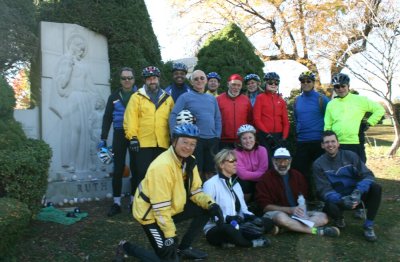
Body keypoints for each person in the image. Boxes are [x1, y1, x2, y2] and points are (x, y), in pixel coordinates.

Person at [114, 123, 224, 261]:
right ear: (174, 141)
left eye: (192, 144)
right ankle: (125, 247)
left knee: (206, 209)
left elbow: (195, 191)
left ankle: (183, 248)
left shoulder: (190, 161)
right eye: (184, 142)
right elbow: (160, 208)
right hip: (151, 214)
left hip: (171, 207)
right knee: (169, 259)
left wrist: (212, 205)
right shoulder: (162, 166)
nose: (188, 147)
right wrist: (170, 235)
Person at [312, 131, 382, 242]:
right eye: (327, 142)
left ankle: (368, 225)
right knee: (327, 203)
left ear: (338, 143)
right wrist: (341, 200)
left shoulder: (350, 156)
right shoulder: (318, 164)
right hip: (338, 199)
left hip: (356, 195)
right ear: (322, 145)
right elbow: (323, 189)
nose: (330, 145)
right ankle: (339, 218)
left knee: (376, 188)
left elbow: (368, 175)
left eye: (333, 141)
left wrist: (359, 191)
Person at [255, 147, 340, 238]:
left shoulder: (297, 175)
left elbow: (303, 197)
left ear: (290, 161)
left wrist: (302, 210)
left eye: (286, 160)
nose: (282, 164)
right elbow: (265, 207)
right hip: (278, 213)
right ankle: (317, 231)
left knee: (323, 217)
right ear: (273, 161)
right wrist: (290, 210)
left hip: (296, 214)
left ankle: (287, 228)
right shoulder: (265, 179)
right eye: (279, 161)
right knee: (281, 218)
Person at [203, 149, 273, 248]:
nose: (236, 163)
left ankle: (232, 242)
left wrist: (253, 218)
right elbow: (208, 211)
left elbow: (244, 209)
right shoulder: (210, 184)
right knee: (229, 229)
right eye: (232, 161)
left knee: (267, 222)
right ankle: (252, 243)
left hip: (237, 224)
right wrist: (228, 218)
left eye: (236, 161)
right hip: (217, 227)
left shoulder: (236, 184)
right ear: (221, 164)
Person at [124, 66, 174, 195]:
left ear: (158, 79)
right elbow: (130, 118)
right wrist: (133, 137)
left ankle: (158, 202)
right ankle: (140, 203)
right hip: (143, 143)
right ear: (145, 80)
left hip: (162, 143)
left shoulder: (168, 98)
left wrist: (174, 138)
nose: (152, 81)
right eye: (149, 79)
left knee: (160, 174)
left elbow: (172, 119)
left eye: (154, 78)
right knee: (142, 173)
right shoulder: (137, 97)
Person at [52, 34, 95, 172]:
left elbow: (90, 84)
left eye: (83, 49)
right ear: (72, 47)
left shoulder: (85, 65)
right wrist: (69, 68)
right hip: (73, 98)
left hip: (85, 99)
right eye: (78, 47)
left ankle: (83, 163)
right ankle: (69, 161)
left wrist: (98, 97)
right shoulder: (66, 60)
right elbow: (61, 84)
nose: (81, 51)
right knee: (75, 129)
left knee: (85, 131)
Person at [169, 70, 221, 180]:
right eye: (196, 79)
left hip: (212, 139)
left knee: (211, 171)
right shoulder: (185, 97)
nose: (199, 81)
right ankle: (195, 195)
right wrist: (174, 135)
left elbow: (217, 118)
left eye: (202, 78)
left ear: (206, 80)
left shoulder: (212, 98)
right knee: (196, 171)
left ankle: (209, 195)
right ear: (191, 82)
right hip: (195, 140)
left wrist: (217, 135)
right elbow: (173, 115)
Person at [99, 67, 138, 217]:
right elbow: (107, 117)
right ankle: (116, 203)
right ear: (120, 80)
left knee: (136, 168)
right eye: (124, 78)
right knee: (117, 169)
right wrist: (103, 137)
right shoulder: (114, 96)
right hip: (119, 134)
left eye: (129, 78)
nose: (127, 80)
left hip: (135, 135)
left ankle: (134, 201)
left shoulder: (139, 94)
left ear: (134, 79)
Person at [324, 73, 385, 163]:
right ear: (334, 88)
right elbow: (327, 125)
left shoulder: (361, 100)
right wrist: (328, 142)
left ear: (348, 86)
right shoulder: (331, 104)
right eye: (337, 87)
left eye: (343, 86)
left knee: (358, 170)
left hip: (355, 142)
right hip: (336, 144)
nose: (340, 89)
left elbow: (379, 109)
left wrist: (369, 123)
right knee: (338, 171)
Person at [291, 71, 330, 200]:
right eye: (303, 81)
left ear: (313, 83)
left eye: (308, 81)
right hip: (302, 141)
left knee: (320, 172)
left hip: (318, 141)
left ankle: (324, 199)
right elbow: (297, 119)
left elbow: (329, 118)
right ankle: (307, 198)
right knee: (300, 171)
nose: (306, 83)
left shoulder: (321, 99)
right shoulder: (297, 101)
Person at [253, 72, 289, 165]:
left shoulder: (281, 100)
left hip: (279, 136)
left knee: (280, 162)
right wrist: (267, 135)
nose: (273, 84)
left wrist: (284, 137)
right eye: (270, 82)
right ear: (265, 83)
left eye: (276, 83)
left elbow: (285, 122)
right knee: (267, 162)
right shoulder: (260, 98)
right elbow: (257, 119)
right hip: (264, 136)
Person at [217, 74, 252, 149]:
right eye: (233, 84)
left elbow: (250, 119)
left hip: (241, 140)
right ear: (228, 84)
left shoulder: (246, 100)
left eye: (239, 85)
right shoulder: (219, 99)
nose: (236, 87)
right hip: (223, 140)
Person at [234, 124, 268, 202]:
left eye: (250, 137)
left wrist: (248, 175)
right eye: (244, 138)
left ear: (255, 138)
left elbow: (264, 171)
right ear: (240, 140)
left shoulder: (262, 150)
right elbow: (242, 175)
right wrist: (258, 174)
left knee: (267, 182)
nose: (248, 141)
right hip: (245, 183)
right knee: (244, 184)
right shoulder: (236, 152)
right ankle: (245, 207)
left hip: (260, 181)